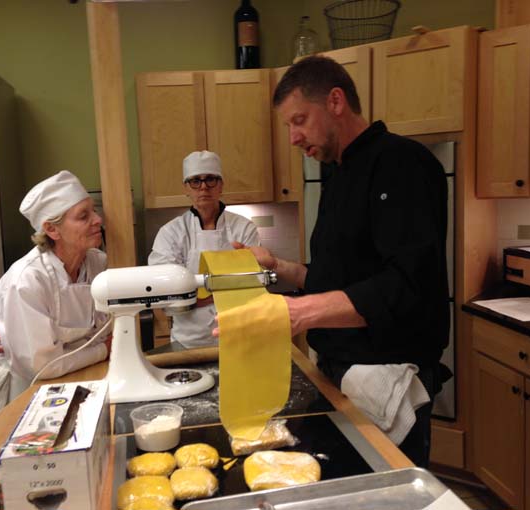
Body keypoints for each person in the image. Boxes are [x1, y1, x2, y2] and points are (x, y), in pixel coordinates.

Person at [227, 56, 449, 467]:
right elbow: (339, 278)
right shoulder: (337, 174)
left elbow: (406, 287)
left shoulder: (403, 164)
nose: (293, 137)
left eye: (299, 120)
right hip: (339, 376)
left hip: (388, 380)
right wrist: (278, 266)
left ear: (335, 101)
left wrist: (295, 313)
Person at [0, 170, 111, 431]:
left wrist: (70, 350)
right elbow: (41, 367)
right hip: (16, 388)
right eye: (84, 216)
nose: (97, 220)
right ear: (51, 229)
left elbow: (104, 328)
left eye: (94, 211)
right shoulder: (28, 279)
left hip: (70, 378)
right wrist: (101, 350)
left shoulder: (96, 262)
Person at [148, 151, 261, 348]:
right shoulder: (170, 233)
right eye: (195, 181)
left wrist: (196, 293)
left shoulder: (244, 228)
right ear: (186, 188)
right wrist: (225, 288)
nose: (203, 187)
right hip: (188, 342)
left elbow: (252, 288)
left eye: (211, 179)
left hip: (238, 338)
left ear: (221, 185)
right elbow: (167, 293)